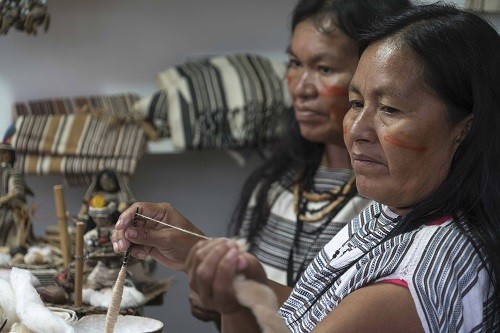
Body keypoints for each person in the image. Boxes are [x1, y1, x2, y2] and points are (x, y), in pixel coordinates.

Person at [113, 3, 500, 332]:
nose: (358, 130)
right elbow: (308, 312)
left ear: (467, 128)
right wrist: (198, 251)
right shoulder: (399, 212)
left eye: (390, 109)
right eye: (355, 103)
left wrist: (235, 305)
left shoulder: (407, 286)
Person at [0, 136, 34, 249]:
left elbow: (16, 195)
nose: (1, 155)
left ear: (9, 155)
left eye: (3, 152)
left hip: (11, 214)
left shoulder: (13, 172)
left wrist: (10, 198)